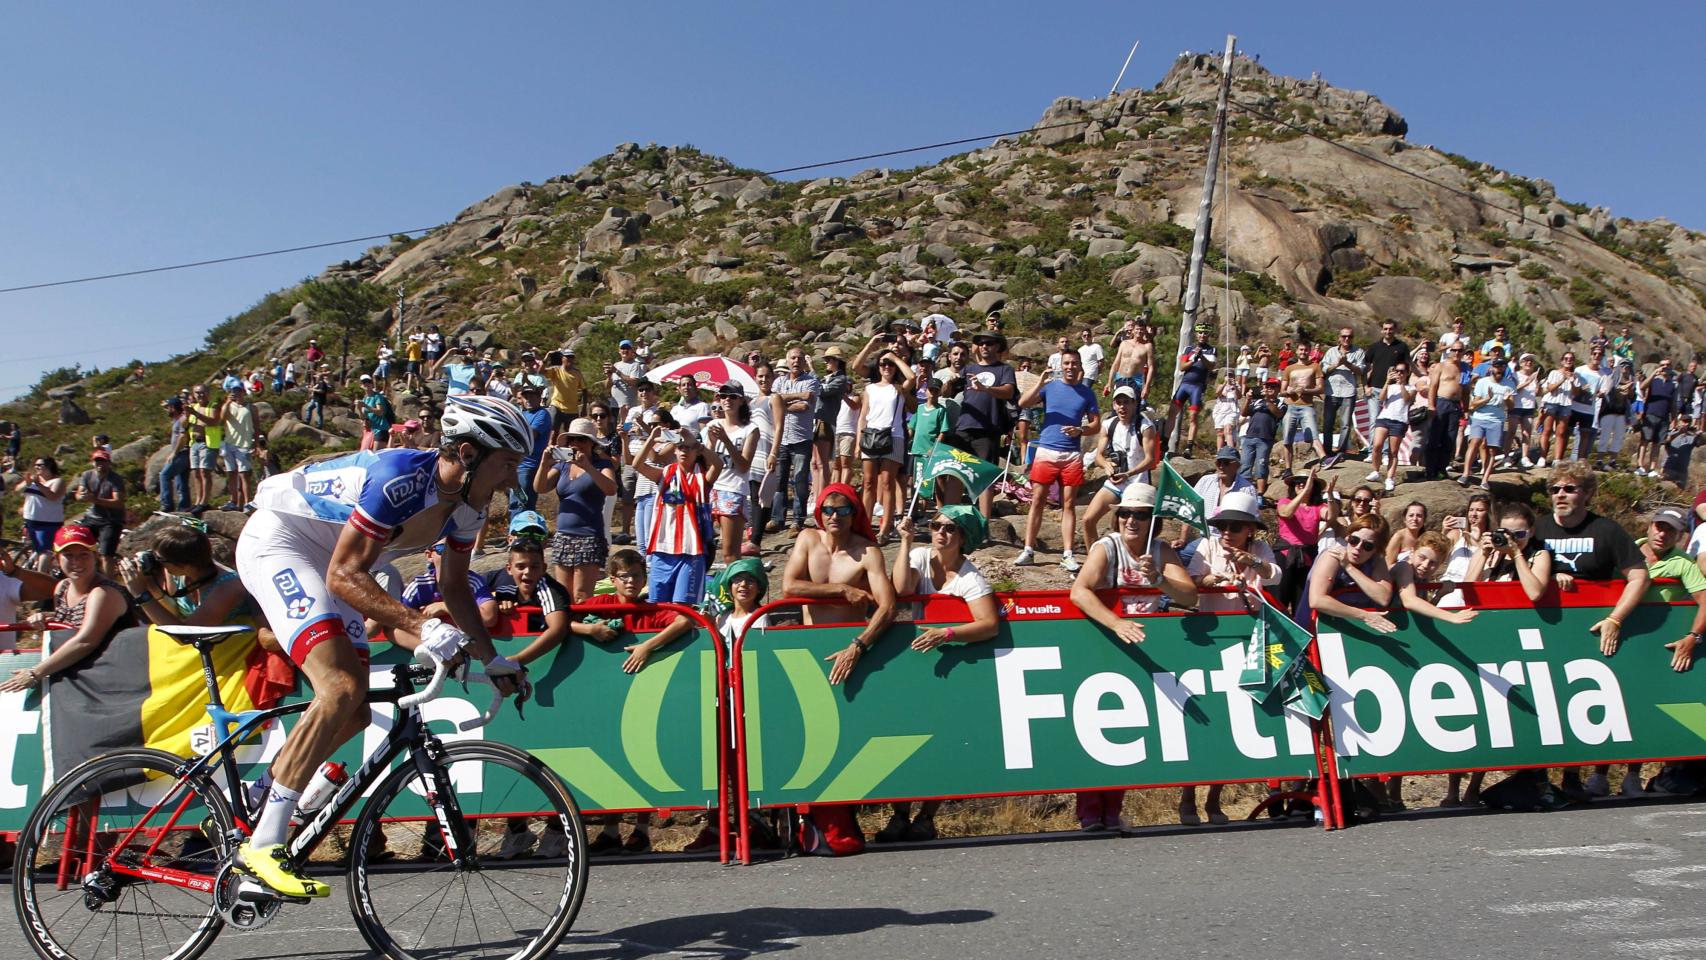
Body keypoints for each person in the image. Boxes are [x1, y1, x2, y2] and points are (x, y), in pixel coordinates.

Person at [231, 394, 531, 897]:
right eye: (506, 464)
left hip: (339, 562)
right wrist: (423, 626)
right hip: (283, 544)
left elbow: (456, 588)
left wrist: (492, 657)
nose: (512, 481)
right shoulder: (401, 477)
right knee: (342, 687)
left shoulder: (467, 507)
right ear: (467, 452)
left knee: (354, 714)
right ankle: (262, 846)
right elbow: (345, 574)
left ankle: (261, 794)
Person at [1068, 483, 1198, 831]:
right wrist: (1116, 622)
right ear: (1117, 516)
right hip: (1106, 643)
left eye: (1141, 515)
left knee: (1128, 731)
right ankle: (1090, 811)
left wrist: (1160, 580)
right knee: (1101, 729)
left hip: (1143, 646)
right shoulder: (1106, 547)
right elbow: (1079, 591)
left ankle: (1112, 811)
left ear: (1151, 520)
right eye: (1126, 513)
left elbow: (1190, 596)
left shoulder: (1159, 550)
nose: (1132, 521)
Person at [879, 505, 1000, 843]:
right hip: (918, 662)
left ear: (962, 537)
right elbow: (902, 590)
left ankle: (926, 817)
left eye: (949, 528)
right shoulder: (919, 555)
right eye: (935, 526)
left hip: (955, 666)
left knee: (941, 741)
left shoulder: (971, 578)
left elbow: (989, 624)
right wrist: (904, 542)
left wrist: (946, 633)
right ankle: (899, 815)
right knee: (904, 739)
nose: (940, 533)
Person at [1182, 489, 1277, 825]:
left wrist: (1248, 562)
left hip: (1244, 640)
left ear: (1249, 529)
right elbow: (1192, 579)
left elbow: (1274, 574)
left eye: (1234, 526)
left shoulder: (1259, 549)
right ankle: (1187, 798)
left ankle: (1213, 800)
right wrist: (1214, 579)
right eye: (1222, 525)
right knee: (1200, 722)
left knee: (1229, 722)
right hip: (1210, 641)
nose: (1226, 532)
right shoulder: (1208, 546)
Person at [781, 484, 898, 686]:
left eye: (842, 510)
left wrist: (858, 646)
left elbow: (888, 607)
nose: (834, 516)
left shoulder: (868, 552)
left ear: (853, 514)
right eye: (828, 510)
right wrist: (842, 589)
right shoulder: (808, 538)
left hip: (850, 642)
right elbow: (789, 587)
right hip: (811, 641)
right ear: (820, 513)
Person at [2, 525, 138, 691]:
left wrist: (34, 673)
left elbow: (86, 640)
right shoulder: (63, 587)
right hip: (84, 670)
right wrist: (46, 618)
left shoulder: (103, 593)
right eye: (68, 556)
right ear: (57, 559)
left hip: (114, 676)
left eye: (84, 555)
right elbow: (74, 622)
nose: (77, 562)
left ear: (95, 557)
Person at [1015, 349, 1100, 570]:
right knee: (1037, 500)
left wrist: (1080, 430)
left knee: (1069, 504)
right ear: (1061, 365)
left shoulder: (1087, 393)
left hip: (1071, 454)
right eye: (1067, 363)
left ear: (1080, 366)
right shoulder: (1050, 387)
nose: (1070, 367)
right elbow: (1023, 403)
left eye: (1074, 363)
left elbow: (1096, 425)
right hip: (1046, 449)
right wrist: (1041, 382)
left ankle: (1068, 553)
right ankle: (1028, 549)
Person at [633, 424, 715, 605]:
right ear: (674, 451)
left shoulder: (703, 477)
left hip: (692, 549)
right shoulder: (665, 473)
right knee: (657, 605)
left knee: (682, 606)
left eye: (689, 448)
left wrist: (694, 441)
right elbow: (637, 464)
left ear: (697, 452)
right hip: (662, 548)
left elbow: (719, 464)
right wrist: (650, 438)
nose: (684, 451)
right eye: (680, 447)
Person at [538, 418, 619, 601]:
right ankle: (567, 628)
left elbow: (611, 489)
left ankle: (583, 628)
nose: (575, 444)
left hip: (589, 537)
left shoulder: (602, 465)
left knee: (582, 595)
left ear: (591, 442)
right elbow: (540, 488)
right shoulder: (562, 465)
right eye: (571, 439)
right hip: (563, 536)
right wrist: (544, 463)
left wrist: (588, 467)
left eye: (581, 439)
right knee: (564, 595)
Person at [121, 521, 256, 628]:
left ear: (184, 565)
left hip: (231, 652)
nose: (156, 562)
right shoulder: (178, 573)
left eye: (159, 559)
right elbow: (174, 613)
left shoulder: (227, 587)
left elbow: (188, 635)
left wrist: (141, 595)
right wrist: (149, 583)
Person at [950, 331, 1018, 518]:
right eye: (981, 343)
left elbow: (1008, 391)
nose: (984, 346)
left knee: (985, 477)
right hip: (964, 426)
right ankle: (949, 518)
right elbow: (949, 391)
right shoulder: (968, 369)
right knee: (956, 474)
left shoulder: (1005, 370)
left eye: (989, 343)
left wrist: (985, 388)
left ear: (998, 347)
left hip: (988, 429)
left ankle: (984, 524)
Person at [1082, 384, 1156, 543]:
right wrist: (1107, 466)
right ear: (1114, 405)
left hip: (1137, 483)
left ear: (1134, 404)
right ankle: (1094, 563)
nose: (1122, 407)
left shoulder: (1145, 426)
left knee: (1128, 531)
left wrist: (1129, 473)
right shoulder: (1109, 424)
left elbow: (1150, 459)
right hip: (1116, 482)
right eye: (1118, 402)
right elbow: (1099, 456)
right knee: (1088, 520)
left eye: (1126, 402)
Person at [856, 350, 915, 541]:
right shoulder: (870, 389)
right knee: (868, 482)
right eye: (883, 364)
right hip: (871, 436)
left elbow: (912, 377)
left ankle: (885, 528)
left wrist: (895, 357)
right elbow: (863, 416)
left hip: (893, 435)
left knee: (888, 482)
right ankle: (865, 526)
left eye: (890, 364)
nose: (887, 367)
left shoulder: (899, 389)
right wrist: (859, 441)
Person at [1301, 514, 1395, 630]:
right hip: (1317, 627)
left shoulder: (1376, 561)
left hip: (1353, 629)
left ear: (1377, 549)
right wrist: (1364, 615)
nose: (1358, 548)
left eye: (1367, 546)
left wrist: (1349, 568)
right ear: (1348, 537)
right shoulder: (1332, 556)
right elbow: (1317, 601)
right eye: (1354, 540)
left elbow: (1383, 598)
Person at [767, 347, 821, 531]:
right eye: (792, 358)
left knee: (800, 480)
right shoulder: (779, 381)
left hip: (801, 438)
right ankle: (777, 518)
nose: (796, 361)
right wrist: (797, 396)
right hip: (781, 439)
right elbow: (772, 401)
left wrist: (780, 404)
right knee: (779, 480)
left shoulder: (811, 382)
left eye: (799, 358)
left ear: (804, 361)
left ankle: (798, 519)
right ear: (787, 360)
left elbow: (803, 407)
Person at [706, 384, 758, 567]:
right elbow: (706, 463)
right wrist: (711, 445)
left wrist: (726, 441)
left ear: (741, 400)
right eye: (723, 396)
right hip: (711, 489)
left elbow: (744, 465)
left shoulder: (750, 429)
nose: (727, 400)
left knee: (730, 552)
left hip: (733, 490)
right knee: (704, 547)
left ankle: (735, 590)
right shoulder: (712, 425)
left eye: (733, 396)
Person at [1461, 356, 1514, 488]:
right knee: (1475, 442)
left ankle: (1485, 479)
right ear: (1491, 368)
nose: (1499, 369)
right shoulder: (1482, 382)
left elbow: (1511, 406)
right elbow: (1473, 404)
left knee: (1492, 450)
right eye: (1497, 366)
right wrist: (1487, 399)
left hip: (1497, 420)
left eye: (1502, 367)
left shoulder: (1509, 384)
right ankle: (1466, 473)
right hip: (1480, 417)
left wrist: (1507, 399)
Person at [73, 449, 126, 576]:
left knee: (106, 554)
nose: (100, 464)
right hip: (92, 517)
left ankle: (109, 585)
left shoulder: (116, 479)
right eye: (97, 461)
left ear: (108, 463)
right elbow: (78, 494)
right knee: (78, 543)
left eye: (103, 461)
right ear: (93, 463)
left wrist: (95, 500)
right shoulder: (87, 475)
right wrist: (82, 497)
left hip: (111, 520)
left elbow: (118, 502)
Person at [1167, 323, 1217, 454]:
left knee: (1193, 416)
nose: (1202, 335)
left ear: (1209, 335)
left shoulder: (1212, 350)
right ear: (1196, 334)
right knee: (1172, 412)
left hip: (1198, 386)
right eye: (1200, 333)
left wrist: (1201, 356)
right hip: (1185, 384)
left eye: (1205, 333)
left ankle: (1189, 447)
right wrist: (1193, 360)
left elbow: (1211, 366)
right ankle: (1164, 441)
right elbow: (1182, 367)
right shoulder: (1189, 348)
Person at [1320, 327, 1367, 465]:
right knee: (1328, 423)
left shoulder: (1358, 352)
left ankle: (1341, 451)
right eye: (1344, 336)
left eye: (1350, 337)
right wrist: (1337, 364)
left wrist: (1347, 363)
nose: (1347, 339)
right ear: (1339, 338)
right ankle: (1327, 451)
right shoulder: (1331, 352)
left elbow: (1361, 370)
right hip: (1332, 391)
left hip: (1348, 391)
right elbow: (1323, 369)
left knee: (1345, 424)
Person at [1365, 361, 1413, 493]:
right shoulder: (1390, 387)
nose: (1399, 373)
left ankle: (1389, 477)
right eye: (1397, 371)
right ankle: (1375, 471)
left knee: (1393, 451)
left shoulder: (1411, 387)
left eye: (1402, 371)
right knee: (1377, 445)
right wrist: (1387, 381)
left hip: (1399, 420)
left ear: (1407, 373)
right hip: (1384, 417)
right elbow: (1381, 398)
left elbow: (1407, 399)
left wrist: (1402, 384)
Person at [509, 381, 554, 522]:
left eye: (532, 396)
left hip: (529, 466)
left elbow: (530, 435)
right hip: (516, 465)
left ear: (539, 397)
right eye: (525, 397)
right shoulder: (521, 414)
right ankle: (516, 535)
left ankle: (523, 536)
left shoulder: (542, 414)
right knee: (515, 503)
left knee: (523, 503)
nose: (528, 399)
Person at [15, 455, 67, 573]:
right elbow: (17, 490)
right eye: (36, 465)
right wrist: (27, 482)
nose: (37, 468)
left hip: (48, 523)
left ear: (49, 466)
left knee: (45, 551)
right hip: (30, 522)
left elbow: (53, 496)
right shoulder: (34, 481)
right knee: (37, 550)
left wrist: (38, 484)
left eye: (40, 465)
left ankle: (41, 577)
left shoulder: (58, 481)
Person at [1422, 343, 1466, 480]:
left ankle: (1442, 469)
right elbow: (1433, 387)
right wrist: (1431, 405)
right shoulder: (1441, 366)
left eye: (1460, 350)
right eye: (1454, 350)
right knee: (1434, 438)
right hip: (1441, 402)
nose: (1457, 353)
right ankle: (1430, 470)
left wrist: (1466, 409)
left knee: (1450, 439)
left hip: (1456, 406)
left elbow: (1466, 390)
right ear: (1449, 351)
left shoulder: (1465, 368)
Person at [1278, 349, 1325, 473]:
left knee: (1314, 435)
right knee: (1287, 439)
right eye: (1300, 349)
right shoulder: (1289, 368)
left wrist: (1305, 390)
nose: (1303, 352)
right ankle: (1288, 469)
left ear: (1309, 351)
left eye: (1305, 350)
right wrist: (1288, 392)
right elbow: (1282, 391)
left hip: (1307, 406)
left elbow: (1320, 388)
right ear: (1297, 351)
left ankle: (1324, 459)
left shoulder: (1315, 366)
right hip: (1291, 406)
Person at [1240, 379, 1284, 495]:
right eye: (1268, 386)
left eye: (1273, 387)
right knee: (1245, 465)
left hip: (1265, 438)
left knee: (1261, 465)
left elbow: (1279, 414)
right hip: (1249, 436)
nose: (1269, 389)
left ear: (1279, 389)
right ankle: (1244, 491)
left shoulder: (1281, 403)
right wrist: (1247, 399)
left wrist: (1268, 400)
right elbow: (1244, 413)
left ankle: (1260, 494)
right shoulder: (1257, 401)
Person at [1637, 358, 1679, 477]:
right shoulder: (1654, 380)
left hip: (1664, 417)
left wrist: (1674, 419)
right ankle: (1640, 465)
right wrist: (1654, 373)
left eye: (1668, 365)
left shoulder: (1673, 385)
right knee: (1645, 440)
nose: (1665, 367)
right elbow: (1642, 387)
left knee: (1657, 443)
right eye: (1663, 365)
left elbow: (1673, 404)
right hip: (1650, 414)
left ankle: (1652, 468)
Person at [219, 384, 258, 509]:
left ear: (243, 392)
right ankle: (233, 500)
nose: (236, 394)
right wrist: (227, 402)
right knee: (231, 473)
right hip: (229, 443)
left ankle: (247, 502)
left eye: (238, 391)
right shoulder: (229, 406)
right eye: (233, 392)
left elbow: (256, 426)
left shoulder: (251, 407)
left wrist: (256, 443)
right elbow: (222, 418)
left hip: (244, 444)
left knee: (244, 475)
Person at [186, 383, 222, 510]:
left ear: (208, 393)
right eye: (197, 393)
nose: (200, 395)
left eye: (202, 392)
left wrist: (195, 413)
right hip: (194, 443)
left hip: (207, 443)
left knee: (204, 472)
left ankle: (204, 502)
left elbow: (214, 421)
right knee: (196, 473)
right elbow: (186, 424)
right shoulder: (192, 406)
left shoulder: (213, 406)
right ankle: (197, 501)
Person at [1104, 318, 1154, 403]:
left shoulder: (1147, 346)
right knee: (1118, 406)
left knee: (1134, 408)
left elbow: (1151, 367)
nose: (1139, 331)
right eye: (1137, 329)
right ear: (1133, 330)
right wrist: (1109, 382)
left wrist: (1146, 387)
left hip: (1135, 381)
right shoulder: (1124, 343)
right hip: (1121, 378)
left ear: (1145, 331)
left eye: (1142, 329)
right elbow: (1116, 363)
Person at [158, 397, 191, 513]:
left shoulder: (182, 419)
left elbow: (183, 436)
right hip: (184, 454)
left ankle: (167, 504)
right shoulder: (178, 419)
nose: (167, 410)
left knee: (164, 475)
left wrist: (174, 453)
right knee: (181, 482)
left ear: (173, 408)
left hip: (182, 453)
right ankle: (184, 507)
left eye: (168, 408)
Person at [1385, 501, 1429, 565]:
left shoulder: (1425, 538)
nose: (1415, 519)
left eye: (1419, 516)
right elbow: (1387, 564)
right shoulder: (1399, 537)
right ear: (1404, 519)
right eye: (1411, 515)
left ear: (1424, 520)